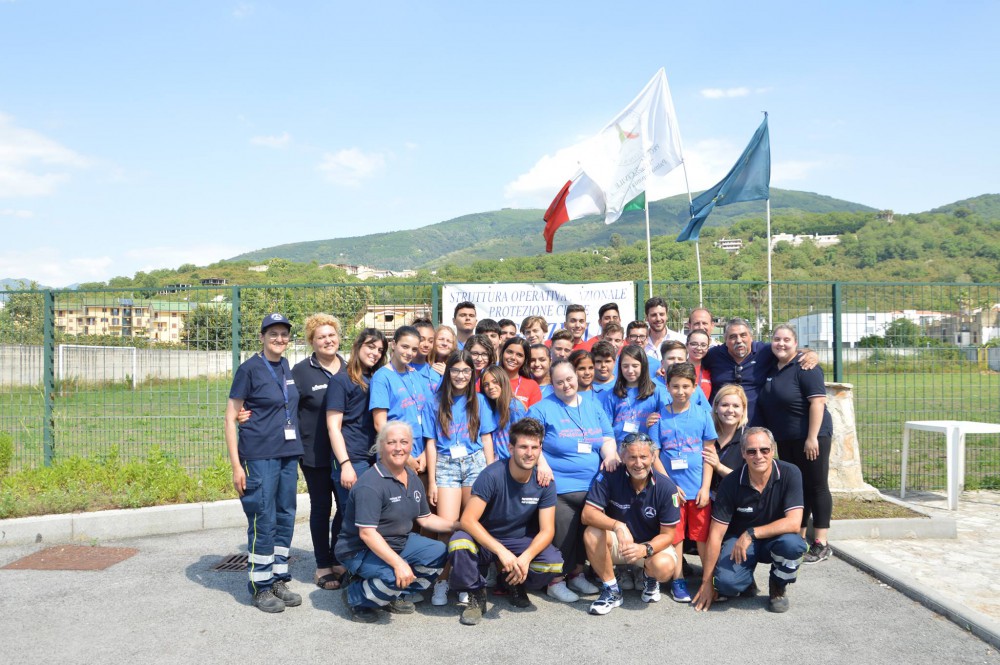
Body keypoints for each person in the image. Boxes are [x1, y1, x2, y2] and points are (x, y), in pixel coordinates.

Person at [335, 421, 460, 623]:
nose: (399, 448)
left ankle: (391, 594)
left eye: (404, 442)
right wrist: (399, 564)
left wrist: (458, 525)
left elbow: (425, 518)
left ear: (411, 446)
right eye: (392, 442)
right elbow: (367, 534)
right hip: (360, 549)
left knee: (440, 552)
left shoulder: (411, 476)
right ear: (381, 445)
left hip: (398, 542)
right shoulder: (370, 484)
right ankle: (355, 596)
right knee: (394, 576)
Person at [446, 418, 565, 625]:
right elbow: (467, 520)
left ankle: (513, 581)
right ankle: (476, 595)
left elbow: (547, 531)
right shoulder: (491, 475)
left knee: (553, 563)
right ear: (511, 447)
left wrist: (525, 558)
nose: (529, 453)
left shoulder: (545, 481)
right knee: (459, 542)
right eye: (523, 447)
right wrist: (501, 551)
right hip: (485, 538)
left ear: (540, 449)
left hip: (518, 540)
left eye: (534, 447)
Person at [224, 313, 303, 613]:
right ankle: (260, 586)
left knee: (285, 515)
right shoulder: (249, 369)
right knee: (263, 518)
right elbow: (231, 418)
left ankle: (278, 577)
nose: (279, 339)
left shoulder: (285, 366)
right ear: (261, 336)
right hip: (259, 456)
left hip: (287, 454)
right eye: (273, 334)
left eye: (284, 334)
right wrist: (236, 466)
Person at [527, 360, 619, 602]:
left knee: (581, 534)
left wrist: (609, 453)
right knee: (563, 536)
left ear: (576, 377)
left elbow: (607, 436)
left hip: (592, 486)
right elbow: (530, 442)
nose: (566, 385)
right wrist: (541, 462)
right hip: (559, 486)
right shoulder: (541, 408)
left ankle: (577, 574)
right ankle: (555, 581)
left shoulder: (593, 405)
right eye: (559, 382)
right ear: (552, 383)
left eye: (569, 379)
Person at [692, 427, 808, 614]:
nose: (759, 456)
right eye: (751, 451)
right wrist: (707, 582)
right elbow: (715, 535)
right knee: (726, 584)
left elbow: (794, 523)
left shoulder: (790, 473)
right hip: (739, 543)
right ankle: (744, 580)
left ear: (773, 450)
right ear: (743, 454)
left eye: (765, 450)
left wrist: (751, 533)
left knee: (793, 546)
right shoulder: (731, 482)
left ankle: (778, 586)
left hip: (776, 539)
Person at [755, 324, 834, 564]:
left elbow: (818, 403)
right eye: (777, 339)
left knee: (817, 486)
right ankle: (798, 536)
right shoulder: (773, 367)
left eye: (786, 339)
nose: (781, 343)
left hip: (811, 436)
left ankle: (821, 542)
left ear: (795, 343)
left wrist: (812, 437)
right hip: (785, 438)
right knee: (796, 487)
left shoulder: (806, 367)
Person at [426, 349, 497, 606]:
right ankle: (442, 581)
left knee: (472, 525)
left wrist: (491, 472)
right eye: (455, 370)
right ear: (448, 372)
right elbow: (431, 442)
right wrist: (433, 480)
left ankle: (467, 582)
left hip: (475, 463)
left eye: (466, 370)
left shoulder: (478, 400)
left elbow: (487, 438)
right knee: (447, 527)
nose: (460, 375)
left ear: (472, 373)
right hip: (446, 466)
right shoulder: (434, 402)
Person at [581, 433, 681, 615]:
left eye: (643, 457)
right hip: (621, 544)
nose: (638, 463)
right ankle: (611, 589)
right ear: (623, 457)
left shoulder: (666, 487)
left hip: (649, 547)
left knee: (664, 566)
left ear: (653, 457)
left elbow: (668, 535)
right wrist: (618, 525)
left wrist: (645, 549)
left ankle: (649, 577)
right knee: (592, 532)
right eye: (632, 457)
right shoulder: (610, 476)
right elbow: (587, 514)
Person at [650, 362, 717, 603]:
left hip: (697, 490)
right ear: (667, 387)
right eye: (675, 386)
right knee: (675, 537)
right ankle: (677, 579)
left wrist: (706, 487)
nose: (680, 391)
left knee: (701, 537)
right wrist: (668, 484)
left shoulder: (702, 415)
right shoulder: (659, 417)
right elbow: (654, 455)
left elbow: (709, 454)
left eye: (686, 386)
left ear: (694, 387)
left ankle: (707, 580)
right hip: (671, 491)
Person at [290, 313, 348, 591]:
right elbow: (285, 408)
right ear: (312, 342)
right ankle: (323, 565)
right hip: (314, 454)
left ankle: (338, 556)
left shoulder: (350, 368)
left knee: (346, 508)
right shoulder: (301, 372)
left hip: (347, 454)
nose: (328, 340)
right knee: (322, 508)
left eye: (331, 335)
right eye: (321, 337)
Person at [327, 328, 387, 581]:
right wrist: (345, 464)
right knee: (353, 516)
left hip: (374, 457)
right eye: (371, 346)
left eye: (380, 350)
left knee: (358, 514)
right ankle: (348, 566)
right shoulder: (341, 380)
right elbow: (333, 426)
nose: (375, 353)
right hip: (352, 458)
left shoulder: (378, 378)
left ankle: (349, 563)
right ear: (358, 346)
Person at [701, 317, 818, 423]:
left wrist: (811, 354)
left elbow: (789, 352)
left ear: (751, 337)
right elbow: (693, 362)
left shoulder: (764, 351)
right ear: (725, 340)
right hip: (720, 425)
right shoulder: (713, 355)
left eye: (743, 335)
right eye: (732, 337)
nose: (738, 340)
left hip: (754, 425)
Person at [370, 326, 433, 475]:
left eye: (414, 349)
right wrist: (406, 457)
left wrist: (426, 453)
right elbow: (380, 424)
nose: (409, 353)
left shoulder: (415, 375)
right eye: (405, 346)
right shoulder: (382, 377)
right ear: (393, 344)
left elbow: (426, 415)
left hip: (421, 453)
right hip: (397, 454)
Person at [600, 344, 667, 444]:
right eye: (625, 366)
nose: (630, 371)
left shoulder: (656, 392)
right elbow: (606, 430)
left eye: (635, 366)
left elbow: (665, 422)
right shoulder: (612, 394)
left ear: (643, 366)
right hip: (619, 452)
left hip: (646, 451)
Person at [701, 384, 749, 500]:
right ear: (716, 408)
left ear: (743, 409)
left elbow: (751, 479)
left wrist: (719, 467)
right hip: (703, 501)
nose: (730, 410)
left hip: (736, 502)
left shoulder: (749, 439)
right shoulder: (704, 434)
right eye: (725, 405)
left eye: (736, 406)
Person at [480, 366, 528, 462]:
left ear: (503, 382)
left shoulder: (514, 407)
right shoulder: (492, 407)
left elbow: (524, 437)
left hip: (512, 461)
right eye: (486, 384)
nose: (491, 387)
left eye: (495, 382)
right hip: (498, 461)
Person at [498, 336, 542, 408]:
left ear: (525, 360)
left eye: (519, 355)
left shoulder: (532, 386)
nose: (513, 357)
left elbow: (534, 416)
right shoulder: (489, 379)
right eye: (509, 352)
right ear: (502, 353)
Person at [644, 297, 684, 361]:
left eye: (661, 314)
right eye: (654, 315)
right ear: (647, 318)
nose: (658, 319)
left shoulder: (681, 340)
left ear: (666, 316)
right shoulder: (640, 342)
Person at [686, 329, 713, 401]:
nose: (698, 348)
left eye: (703, 345)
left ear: (708, 347)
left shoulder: (711, 370)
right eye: (694, 344)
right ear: (686, 345)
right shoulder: (678, 368)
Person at [427, 325, 456, 391]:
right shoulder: (424, 363)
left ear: (453, 345)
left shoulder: (457, 365)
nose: (445, 343)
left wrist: (448, 374)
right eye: (441, 339)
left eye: (449, 341)